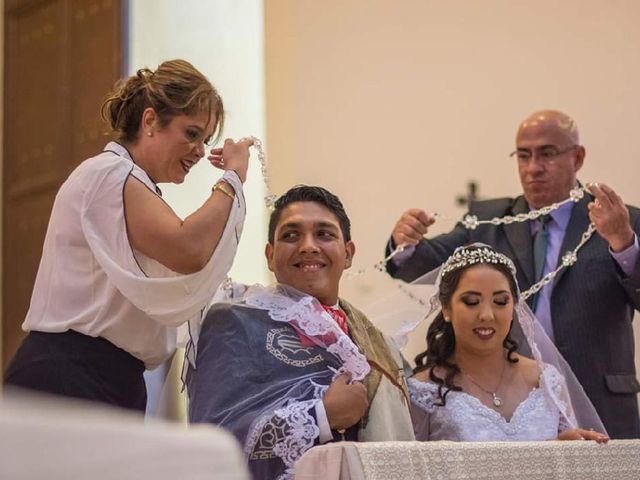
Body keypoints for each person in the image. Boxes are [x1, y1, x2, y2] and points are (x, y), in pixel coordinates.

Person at [4, 59, 252, 412]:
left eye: (205, 139)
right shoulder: (109, 173)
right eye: (192, 133)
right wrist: (232, 179)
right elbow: (188, 249)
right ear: (150, 121)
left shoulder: (133, 185)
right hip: (67, 375)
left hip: (114, 380)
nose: (199, 151)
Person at [386, 110, 640, 439]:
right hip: (511, 393)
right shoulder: (491, 219)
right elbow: (420, 263)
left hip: (601, 398)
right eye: (524, 155)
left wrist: (623, 243)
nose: (533, 167)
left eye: (547, 153)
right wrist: (403, 241)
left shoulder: (620, 219)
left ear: (577, 157)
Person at [187, 186, 414, 480]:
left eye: (324, 234)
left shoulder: (380, 342)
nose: (308, 246)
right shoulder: (234, 322)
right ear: (270, 255)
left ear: (348, 254)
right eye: (291, 235)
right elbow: (211, 443)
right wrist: (321, 415)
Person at [406, 244, 608, 442]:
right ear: (446, 309)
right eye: (471, 302)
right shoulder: (424, 390)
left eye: (501, 302)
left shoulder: (546, 380)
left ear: (514, 307)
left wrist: (570, 447)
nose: (487, 315)